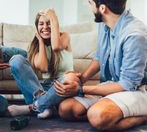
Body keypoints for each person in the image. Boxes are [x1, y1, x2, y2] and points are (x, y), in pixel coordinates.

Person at [56, 0, 147, 131]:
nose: (90, 7)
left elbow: (127, 85)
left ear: (103, 8)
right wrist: (80, 79)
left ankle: (143, 116)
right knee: (66, 109)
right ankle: (109, 111)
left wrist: (80, 90)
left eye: (91, 3)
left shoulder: (135, 35)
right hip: (113, 85)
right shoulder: (105, 24)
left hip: (138, 89)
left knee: (97, 116)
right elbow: (100, 57)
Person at [8, 8, 78, 119]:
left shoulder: (64, 36)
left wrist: (54, 18)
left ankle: (33, 107)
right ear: (37, 27)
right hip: (43, 89)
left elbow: (55, 47)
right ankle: (45, 103)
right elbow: (44, 68)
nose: (45, 27)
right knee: (16, 59)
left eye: (49, 23)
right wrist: (40, 41)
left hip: (63, 86)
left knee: (71, 78)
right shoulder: (35, 48)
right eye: (41, 24)